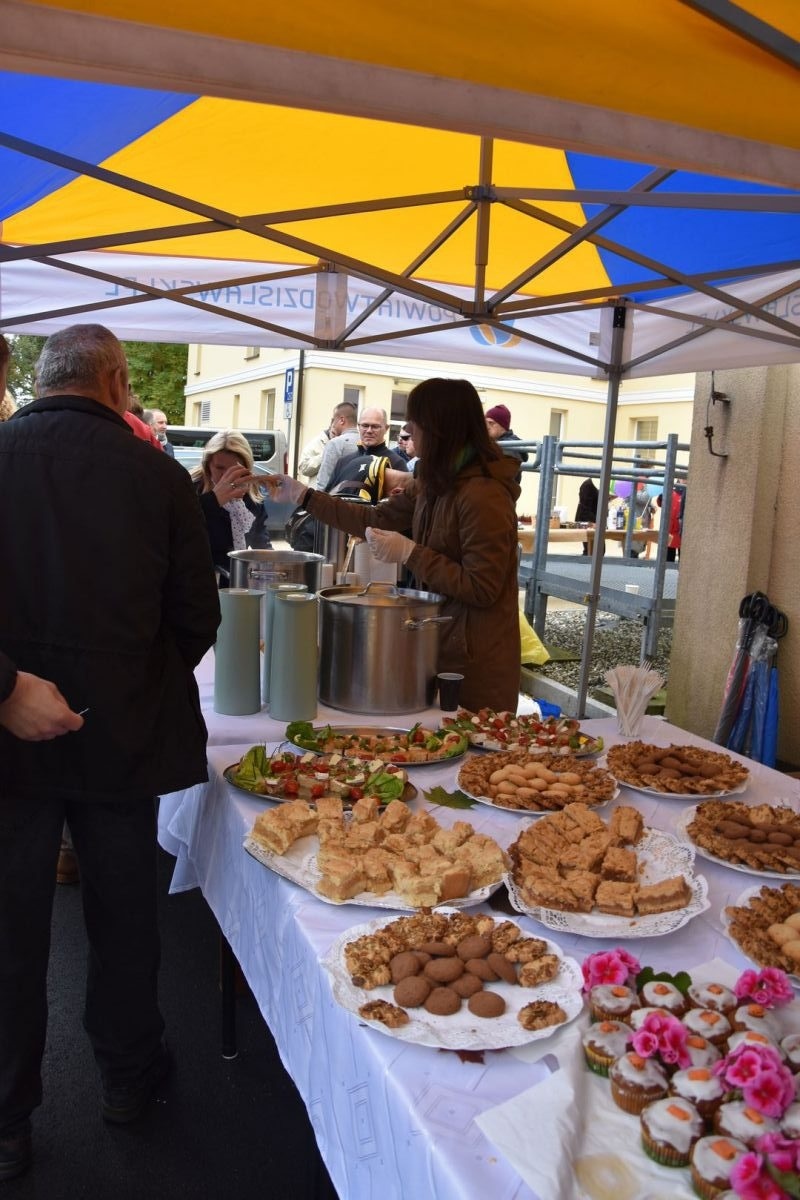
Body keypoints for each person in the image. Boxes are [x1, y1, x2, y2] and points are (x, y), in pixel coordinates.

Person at [0, 323, 221, 1180]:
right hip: (122, 740)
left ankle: (7, 1122)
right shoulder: (159, 477)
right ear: (118, 381)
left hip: (7, 745)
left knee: (9, 929)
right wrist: (129, 685)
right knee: (124, 917)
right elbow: (194, 620)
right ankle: (128, 1080)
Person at [271, 378, 521, 711]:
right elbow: (372, 518)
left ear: (439, 428)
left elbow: (482, 586)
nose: (409, 431)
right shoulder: (436, 481)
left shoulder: (483, 495)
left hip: (476, 667)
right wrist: (304, 495)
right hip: (439, 645)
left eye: (415, 423)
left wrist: (410, 553)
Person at [192, 430, 272, 583]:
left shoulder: (251, 496)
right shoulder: (192, 490)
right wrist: (213, 501)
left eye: (234, 469)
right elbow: (182, 532)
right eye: (220, 468)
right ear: (207, 466)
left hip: (235, 581)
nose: (226, 476)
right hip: (197, 582)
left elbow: (261, 543)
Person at [323, 407, 407, 494]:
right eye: (365, 425)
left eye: (375, 426)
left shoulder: (396, 463)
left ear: (386, 428)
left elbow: (402, 503)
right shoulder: (343, 462)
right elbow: (328, 497)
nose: (369, 431)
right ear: (358, 426)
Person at [298, 401, 356, 482]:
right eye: (333, 433)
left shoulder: (348, 442)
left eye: (339, 435)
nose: (336, 437)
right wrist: (327, 454)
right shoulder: (316, 443)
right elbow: (303, 469)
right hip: (318, 492)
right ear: (331, 425)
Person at [315, 405, 360, 490]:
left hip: (337, 499)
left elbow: (323, 482)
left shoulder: (335, 444)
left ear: (342, 420)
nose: (333, 425)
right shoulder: (365, 442)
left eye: (334, 420)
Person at [484, 404, 528, 482]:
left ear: (502, 426)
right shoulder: (494, 444)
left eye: (491, 423)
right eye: (485, 423)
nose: (487, 427)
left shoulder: (510, 447)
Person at [574, 478, 599, 555]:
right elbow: (585, 508)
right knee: (591, 550)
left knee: (594, 550)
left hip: (590, 520)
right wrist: (592, 523)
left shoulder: (594, 485)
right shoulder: (588, 485)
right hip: (585, 520)